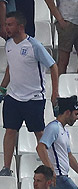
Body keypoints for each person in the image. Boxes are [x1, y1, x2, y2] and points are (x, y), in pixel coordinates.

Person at [1, 13, 59, 178]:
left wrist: (55, 92)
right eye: (6, 24)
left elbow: (53, 67)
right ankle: (6, 167)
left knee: (39, 133)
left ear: (20, 27)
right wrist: (2, 88)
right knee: (10, 130)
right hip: (13, 97)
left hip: (33, 98)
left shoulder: (34, 46)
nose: (6, 28)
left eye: (10, 24)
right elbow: (10, 68)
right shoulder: (9, 45)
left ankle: (49, 167)